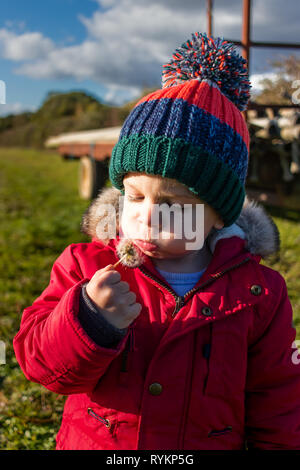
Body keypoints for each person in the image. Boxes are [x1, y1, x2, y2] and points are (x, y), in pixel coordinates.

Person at [13, 32, 300, 450]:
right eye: (134, 196)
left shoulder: (260, 294)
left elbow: (278, 400)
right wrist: (88, 320)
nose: (146, 217)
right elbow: (41, 365)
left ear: (218, 213)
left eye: (175, 204)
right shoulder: (85, 267)